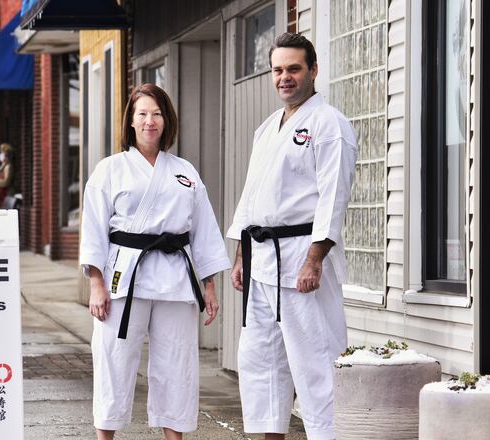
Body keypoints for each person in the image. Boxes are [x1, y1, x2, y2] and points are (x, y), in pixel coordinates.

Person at [79, 83, 231, 440]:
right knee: (114, 361)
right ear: (131, 121)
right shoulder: (110, 169)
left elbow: (204, 230)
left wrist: (209, 285)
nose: (150, 121)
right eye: (143, 113)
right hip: (123, 276)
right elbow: (94, 228)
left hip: (175, 277)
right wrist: (96, 284)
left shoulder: (185, 172)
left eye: (157, 114)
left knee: (177, 366)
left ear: (167, 121)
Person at [227, 33, 358, 440]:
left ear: (313, 71)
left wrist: (315, 258)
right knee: (261, 361)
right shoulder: (267, 129)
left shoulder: (329, 123)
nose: (285, 77)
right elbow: (252, 195)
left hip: (302, 255)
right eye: (278, 70)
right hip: (263, 257)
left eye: (294, 69)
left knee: (315, 360)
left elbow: (334, 195)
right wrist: (240, 255)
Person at [0, 143, 14, 208]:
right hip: (2, 195)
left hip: (7, 194)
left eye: (3, 153)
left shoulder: (9, 167)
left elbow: (6, 182)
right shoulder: (4, 166)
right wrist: (3, 165)